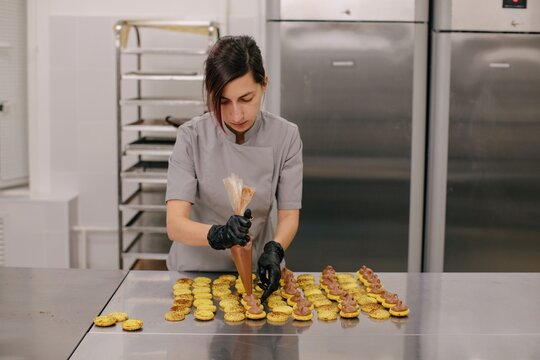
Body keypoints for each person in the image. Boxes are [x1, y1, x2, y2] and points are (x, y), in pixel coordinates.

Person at [166, 35, 303, 301]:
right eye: (223, 101)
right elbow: (175, 225)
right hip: (194, 275)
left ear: (264, 85)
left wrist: (275, 249)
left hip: (257, 274)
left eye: (246, 98)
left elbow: (289, 216)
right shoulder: (191, 137)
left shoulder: (286, 137)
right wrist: (218, 234)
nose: (236, 115)